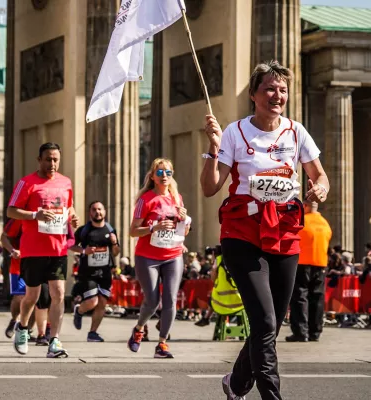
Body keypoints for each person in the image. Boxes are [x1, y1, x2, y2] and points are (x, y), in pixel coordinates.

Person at [201, 61, 329, 400]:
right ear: (254, 95)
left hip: (284, 232)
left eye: (283, 90)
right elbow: (210, 187)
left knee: (268, 324)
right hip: (242, 232)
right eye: (270, 88)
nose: (277, 95)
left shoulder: (296, 131)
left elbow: (320, 176)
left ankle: (236, 383)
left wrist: (321, 189)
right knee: (265, 321)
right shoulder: (235, 132)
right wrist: (212, 150)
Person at [6, 142, 80, 358]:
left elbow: (69, 206)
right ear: (39, 160)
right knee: (32, 295)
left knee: (58, 293)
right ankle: (22, 328)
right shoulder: (26, 183)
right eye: (48, 159)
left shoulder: (66, 182)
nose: (52, 163)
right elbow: (11, 210)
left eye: (56, 159)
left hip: (57, 249)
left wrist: (72, 216)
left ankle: (54, 340)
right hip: (33, 250)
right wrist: (33, 215)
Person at [126, 157, 190, 359]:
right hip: (148, 257)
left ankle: (162, 344)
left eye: (168, 173)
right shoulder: (146, 200)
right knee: (152, 301)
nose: (165, 176)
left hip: (173, 254)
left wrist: (184, 220)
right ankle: (139, 328)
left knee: (170, 299)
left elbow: (184, 230)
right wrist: (154, 227)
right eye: (160, 172)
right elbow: (133, 231)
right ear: (152, 176)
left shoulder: (177, 198)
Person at [71, 201, 120, 342]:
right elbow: (70, 245)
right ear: (90, 213)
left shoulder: (110, 230)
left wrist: (115, 243)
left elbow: (116, 253)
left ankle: (92, 333)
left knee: (102, 303)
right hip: (87, 272)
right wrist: (83, 251)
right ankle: (79, 311)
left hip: (105, 272)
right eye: (94, 210)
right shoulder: (84, 230)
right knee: (92, 301)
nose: (97, 212)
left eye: (100, 209)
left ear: (104, 212)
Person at [0, 218, 52, 345]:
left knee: (37, 300)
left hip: (39, 264)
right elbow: (4, 237)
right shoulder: (19, 219)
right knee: (20, 297)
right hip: (18, 266)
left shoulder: (48, 218)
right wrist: (12, 250)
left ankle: (28, 330)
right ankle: (14, 320)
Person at [287, 200, 331, 342]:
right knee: (317, 298)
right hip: (320, 264)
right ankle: (315, 332)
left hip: (302, 263)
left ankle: (301, 332)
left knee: (300, 297)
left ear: (305, 206)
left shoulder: (302, 220)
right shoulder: (325, 224)